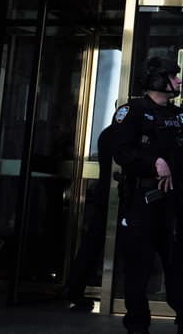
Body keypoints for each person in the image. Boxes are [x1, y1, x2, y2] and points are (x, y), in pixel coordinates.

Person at [111, 58, 183, 334]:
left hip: (174, 201)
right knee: (138, 265)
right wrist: (154, 162)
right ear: (157, 80)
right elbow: (122, 152)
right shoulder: (132, 112)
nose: (178, 81)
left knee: (179, 264)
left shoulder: (180, 115)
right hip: (143, 199)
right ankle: (137, 325)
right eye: (173, 76)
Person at [67, 124, 114, 312]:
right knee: (94, 244)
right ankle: (76, 289)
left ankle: (76, 289)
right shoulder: (117, 134)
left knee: (92, 244)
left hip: (105, 195)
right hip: (112, 197)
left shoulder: (107, 134)